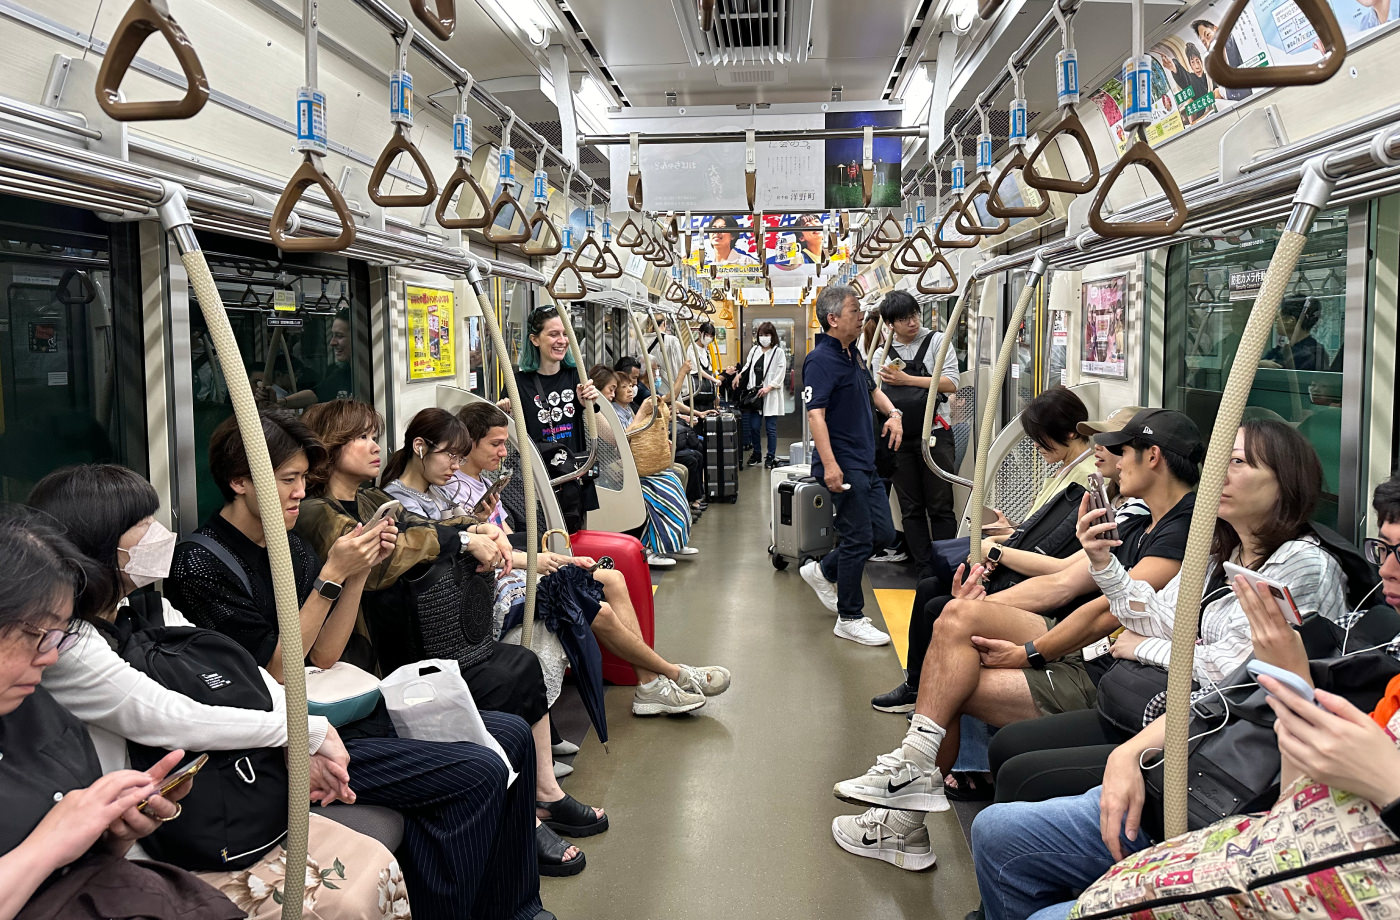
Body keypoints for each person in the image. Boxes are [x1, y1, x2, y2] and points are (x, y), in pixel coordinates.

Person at [165, 410, 569, 907]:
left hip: (334, 707)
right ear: (240, 481)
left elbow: (327, 653)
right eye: (287, 480)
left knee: (510, 734)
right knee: (480, 768)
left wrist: (359, 569)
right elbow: (277, 671)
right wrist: (332, 574)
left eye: (301, 480)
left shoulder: (290, 546)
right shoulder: (202, 563)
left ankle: (516, 907)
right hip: (281, 739)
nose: (298, 492)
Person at [969, 474, 1400, 920]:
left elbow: (1224, 673)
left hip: (1207, 743)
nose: (1386, 568)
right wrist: (1103, 562)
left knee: (1022, 774)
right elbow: (1160, 616)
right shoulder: (1219, 549)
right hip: (1190, 728)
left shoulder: (1303, 565)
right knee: (999, 814)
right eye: (1383, 550)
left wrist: (1137, 648)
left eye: (1238, 461)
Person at [829, 409, 1204, 869]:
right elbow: (1068, 583)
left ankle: (903, 819)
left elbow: (1106, 613)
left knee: (951, 685)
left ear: (1153, 457)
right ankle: (915, 767)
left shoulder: (1183, 529)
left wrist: (1030, 653)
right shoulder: (1142, 518)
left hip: (1108, 666)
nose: (1112, 458)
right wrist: (982, 607)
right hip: (1095, 649)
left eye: (1122, 450)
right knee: (955, 616)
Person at [28, 465, 406, 920]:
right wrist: (299, 732)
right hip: (142, 838)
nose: (159, 535)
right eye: (142, 527)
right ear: (101, 544)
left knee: (375, 864)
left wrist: (300, 730)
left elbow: (239, 667)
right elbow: (165, 715)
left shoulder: (142, 605)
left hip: (210, 794)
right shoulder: (66, 643)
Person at [295, 401, 606, 875]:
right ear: (331, 446)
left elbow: (423, 526)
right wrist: (464, 539)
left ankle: (542, 791)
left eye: (374, 435)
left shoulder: (368, 500)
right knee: (507, 674)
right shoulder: (320, 513)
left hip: (403, 635)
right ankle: (523, 808)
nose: (376, 446)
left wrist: (478, 528)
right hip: (380, 656)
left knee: (519, 665)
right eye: (361, 437)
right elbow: (389, 553)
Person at [0, 507, 246, 920]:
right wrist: (51, 842)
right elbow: (171, 715)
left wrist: (115, 831)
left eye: (58, 636)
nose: (51, 656)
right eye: (35, 635)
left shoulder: (38, 709)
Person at [451, 401, 730, 710]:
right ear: (469, 443)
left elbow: (509, 538)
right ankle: (669, 674)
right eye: (496, 444)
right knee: (602, 611)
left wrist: (565, 560)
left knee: (612, 577)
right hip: (503, 580)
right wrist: (542, 560)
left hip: (520, 562)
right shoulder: (456, 492)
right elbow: (491, 550)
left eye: (505, 443)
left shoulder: (486, 483)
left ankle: (648, 682)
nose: (504, 452)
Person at [872, 405, 1138, 716]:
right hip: (1052, 584)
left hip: (1070, 616)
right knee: (934, 584)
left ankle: (925, 696)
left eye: (1110, 444)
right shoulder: (1111, 497)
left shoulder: (1092, 488)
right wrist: (1009, 531)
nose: (1099, 450)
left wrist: (996, 555)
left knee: (941, 608)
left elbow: (1063, 574)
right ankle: (921, 693)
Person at [798, 284, 904, 647]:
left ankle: (823, 570)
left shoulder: (852, 352)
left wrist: (894, 413)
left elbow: (873, 389)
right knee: (857, 537)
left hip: (866, 459)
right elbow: (816, 416)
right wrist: (829, 466)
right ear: (833, 318)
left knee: (883, 535)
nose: (861, 316)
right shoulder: (821, 360)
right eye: (855, 310)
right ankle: (850, 616)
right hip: (842, 464)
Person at [874, 291, 962, 579]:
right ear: (889, 324)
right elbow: (876, 392)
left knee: (940, 506)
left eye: (914, 315)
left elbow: (951, 384)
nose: (912, 322)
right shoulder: (882, 353)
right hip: (899, 438)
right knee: (911, 508)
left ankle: (946, 568)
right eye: (903, 319)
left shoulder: (937, 341)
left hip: (935, 435)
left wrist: (907, 380)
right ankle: (924, 569)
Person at [500, 306, 601, 533]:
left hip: (573, 476)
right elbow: (503, 439)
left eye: (565, 334)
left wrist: (590, 407)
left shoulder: (577, 376)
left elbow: (608, 436)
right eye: (554, 334)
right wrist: (505, 416)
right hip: (536, 481)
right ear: (535, 339)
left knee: (574, 541)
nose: (562, 341)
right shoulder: (517, 383)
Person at [737, 321, 788, 468]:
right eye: (761, 335)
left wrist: (769, 387)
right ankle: (757, 454)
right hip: (755, 396)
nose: (763, 338)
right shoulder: (754, 350)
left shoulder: (778, 352)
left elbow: (780, 372)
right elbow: (747, 367)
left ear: (772, 336)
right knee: (754, 427)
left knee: (771, 428)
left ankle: (770, 456)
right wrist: (738, 376)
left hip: (771, 395)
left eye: (766, 335)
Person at [1261, 294, 1330, 370]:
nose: (1275, 322)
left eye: (1278, 318)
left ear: (1290, 321)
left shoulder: (1311, 353)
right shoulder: (1283, 349)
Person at [1192, 18, 1253, 101]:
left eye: (1208, 35)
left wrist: (1222, 92)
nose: (1209, 43)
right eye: (1204, 42)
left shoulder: (1235, 43)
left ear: (1216, 30)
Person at [687, 321, 721, 410]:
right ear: (699, 333)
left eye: (711, 336)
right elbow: (698, 370)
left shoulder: (706, 350)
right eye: (706, 335)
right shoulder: (692, 348)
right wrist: (713, 379)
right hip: (696, 393)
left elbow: (710, 369)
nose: (708, 338)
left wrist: (716, 392)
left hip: (707, 393)